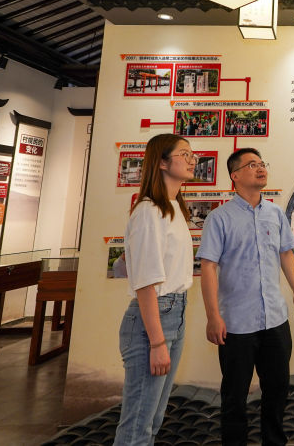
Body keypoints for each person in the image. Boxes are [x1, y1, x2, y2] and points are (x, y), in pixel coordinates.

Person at [197, 148, 294, 446]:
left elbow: (286, 253)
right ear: (235, 175)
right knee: (235, 396)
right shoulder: (219, 218)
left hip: (275, 319)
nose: (260, 168)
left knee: (277, 390)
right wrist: (212, 316)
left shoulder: (275, 213)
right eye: (251, 165)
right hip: (236, 324)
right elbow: (208, 267)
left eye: (262, 163)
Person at [114, 134, 196, 446]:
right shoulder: (149, 211)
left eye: (192, 155)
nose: (191, 160)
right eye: (184, 154)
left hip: (175, 312)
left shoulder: (173, 208)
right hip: (154, 319)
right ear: (161, 162)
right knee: (138, 424)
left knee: (151, 420)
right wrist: (157, 341)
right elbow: (146, 284)